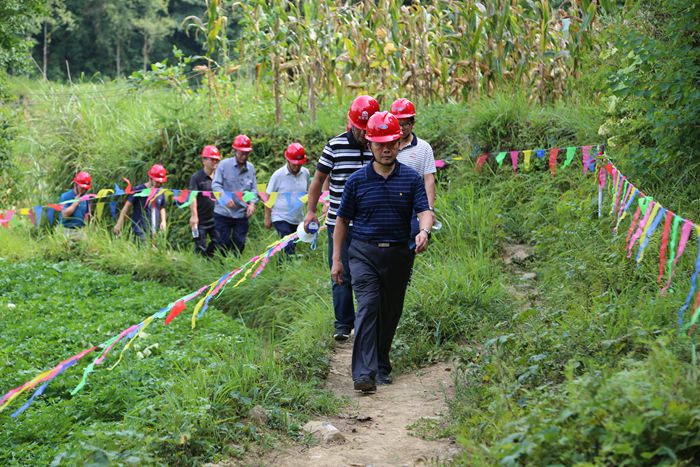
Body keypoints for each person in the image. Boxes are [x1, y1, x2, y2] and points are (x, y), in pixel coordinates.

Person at [331, 111, 433, 393]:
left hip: (399, 254)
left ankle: (381, 364)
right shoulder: (356, 181)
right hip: (363, 253)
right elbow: (341, 220)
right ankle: (363, 373)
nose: (386, 149)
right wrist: (337, 259)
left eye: (391, 143)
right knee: (368, 307)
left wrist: (423, 231)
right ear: (370, 145)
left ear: (399, 142)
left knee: (390, 312)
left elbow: (424, 210)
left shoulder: (411, 179)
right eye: (380, 144)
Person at [304, 95, 380, 341]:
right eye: (359, 129)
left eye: (366, 130)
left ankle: (367, 322)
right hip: (339, 223)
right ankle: (343, 324)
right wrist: (311, 210)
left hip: (370, 224)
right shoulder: (335, 146)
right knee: (340, 272)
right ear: (351, 124)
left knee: (368, 275)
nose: (362, 134)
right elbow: (317, 180)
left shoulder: (377, 146)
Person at [391, 98, 437, 251]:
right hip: (390, 204)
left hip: (413, 205)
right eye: (398, 123)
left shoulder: (423, 148)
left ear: (412, 123)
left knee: (411, 245)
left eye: (405, 124)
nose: (401, 128)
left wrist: (429, 209)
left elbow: (429, 179)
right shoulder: (387, 146)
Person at [212, 134, 258, 255]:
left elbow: (253, 189)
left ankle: (235, 268)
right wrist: (224, 197)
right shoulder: (223, 165)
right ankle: (220, 268)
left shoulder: (251, 168)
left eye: (247, 153)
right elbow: (216, 185)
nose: (244, 156)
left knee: (239, 243)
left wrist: (252, 204)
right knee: (223, 242)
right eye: (241, 152)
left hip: (241, 214)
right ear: (235, 150)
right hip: (223, 212)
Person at [264, 143, 310, 256]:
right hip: (280, 217)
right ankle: (286, 266)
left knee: (291, 246)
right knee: (288, 244)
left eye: (299, 164)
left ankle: (282, 268)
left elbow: (307, 194)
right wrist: (267, 218)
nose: (297, 167)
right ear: (288, 160)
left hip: (297, 218)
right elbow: (269, 197)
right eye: (294, 164)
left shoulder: (306, 173)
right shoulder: (278, 175)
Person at [113, 164, 168, 242]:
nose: (159, 184)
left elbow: (162, 207)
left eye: (161, 182)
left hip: (153, 232)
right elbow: (127, 206)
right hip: (139, 230)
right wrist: (119, 223)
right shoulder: (138, 190)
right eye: (157, 182)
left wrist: (163, 221)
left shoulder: (160, 191)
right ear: (150, 178)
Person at [189, 145, 221, 257]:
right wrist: (194, 216)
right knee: (200, 246)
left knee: (219, 241)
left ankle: (210, 259)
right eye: (212, 159)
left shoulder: (219, 177)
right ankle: (201, 266)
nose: (214, 162)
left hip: (216, 218)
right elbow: (192, 196)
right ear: (204, 160)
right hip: (200, 220)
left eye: (216, 160)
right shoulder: (197, 177)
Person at [59, 171, 92, 238]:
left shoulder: (86, 198)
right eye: (82, 188)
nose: (84, 190)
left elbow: (87, 216)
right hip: (66, 230)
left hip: (80, 230)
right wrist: (75, 203)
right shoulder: (65, 196)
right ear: (75, 185)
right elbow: (64, 214)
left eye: (86, 189)